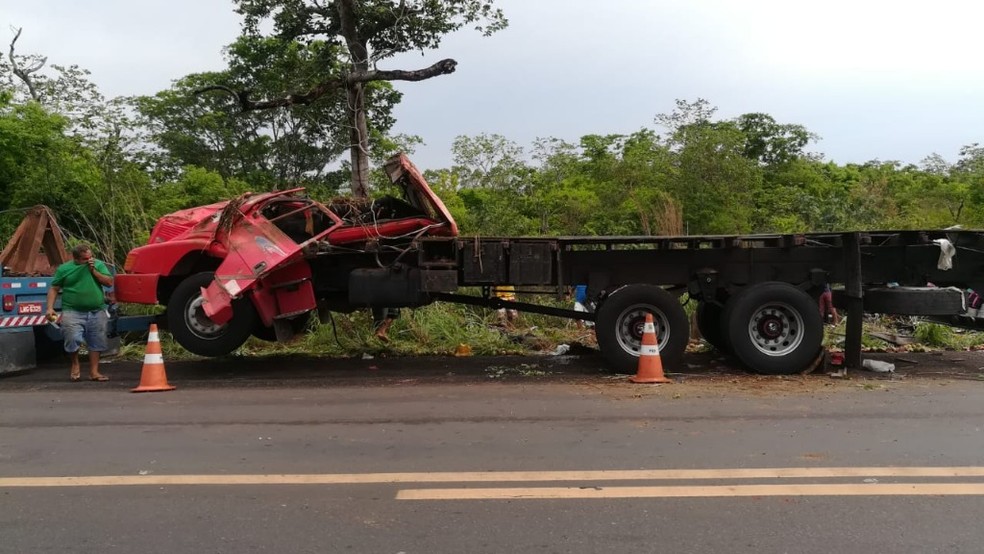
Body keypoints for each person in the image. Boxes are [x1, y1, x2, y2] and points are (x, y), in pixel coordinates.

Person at [45, 244, 114, 382]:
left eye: (90, 257)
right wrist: (49, 307)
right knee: (72, 338)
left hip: (96, 310)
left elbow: (108, 282)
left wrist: (93, 270)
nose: (89, 260)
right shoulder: (65, 269)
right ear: (76, 259)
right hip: (72, 310)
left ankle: (94, 372)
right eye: (85, 259)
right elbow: (54, 288)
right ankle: (75, 363)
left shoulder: (97, 265)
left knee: (97, 341)